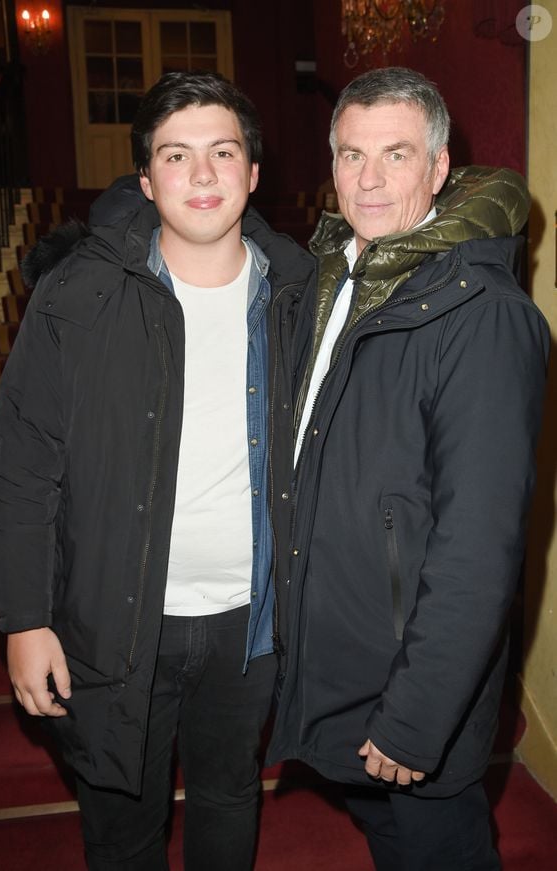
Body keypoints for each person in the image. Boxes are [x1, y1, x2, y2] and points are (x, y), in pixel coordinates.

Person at [0, 71, 315, 870]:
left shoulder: (299, 294)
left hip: (251, 621)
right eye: (175, 155)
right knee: (121, 827)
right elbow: (22, 468)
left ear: (253, 172)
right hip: (114, 621)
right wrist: (24, 619)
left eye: (222, 152)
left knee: (229, 797)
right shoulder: (77, 295)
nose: (202, 174)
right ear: (144, 178)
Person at [267, 67, 549, 870]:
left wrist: (418, 715)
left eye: (396, 155)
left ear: (439, 166)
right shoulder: (330, 284)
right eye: (352, 155)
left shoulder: (484, 315)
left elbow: (479, 546)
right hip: (340, 658)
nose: (370, 179)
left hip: (412, 682)